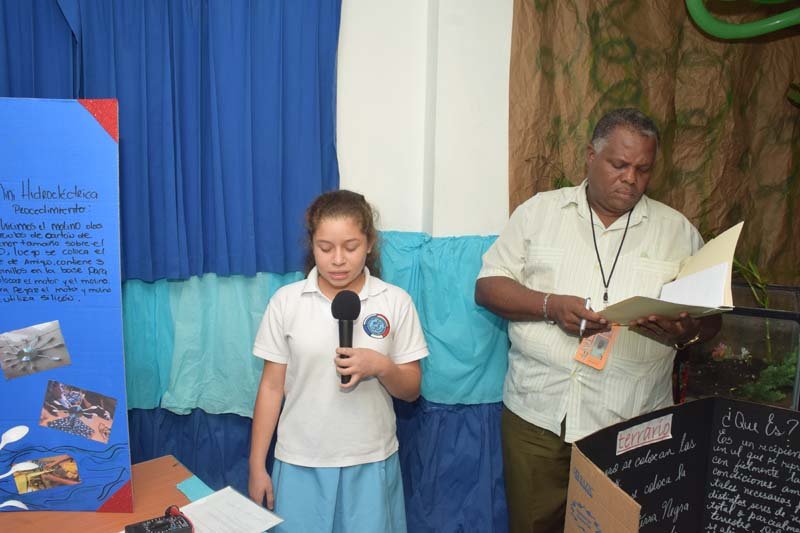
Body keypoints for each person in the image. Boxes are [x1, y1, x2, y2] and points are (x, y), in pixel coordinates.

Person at [474, 108, 721, 532]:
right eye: (619, 164)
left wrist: (687, 330)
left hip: (632, 423)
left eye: (643, 169)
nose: (631, 179)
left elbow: (712, 318)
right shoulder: (539, 213)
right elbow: (488, 286)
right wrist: (550, 306)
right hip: (538, 416)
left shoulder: (678, 233)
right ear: (591, 155)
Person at [248, 189, 428, 533]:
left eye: (351, 247)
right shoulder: (286, 302)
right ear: (311, 245)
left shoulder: (395, 302)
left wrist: (381, 366)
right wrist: (257, 466)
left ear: (370, 243)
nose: (338, 260)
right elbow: (271, 388)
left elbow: (412, 389)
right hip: (300, 461)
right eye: (325, 248)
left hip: (370, 460)